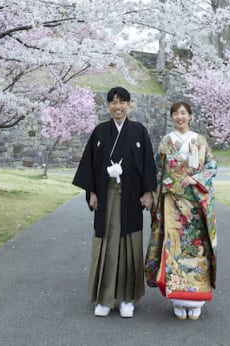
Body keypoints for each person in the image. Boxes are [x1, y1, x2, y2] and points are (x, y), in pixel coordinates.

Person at [72, 86, 157, 318]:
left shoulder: (139, 131)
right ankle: (105, 298)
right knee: (107, 245)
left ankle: (128, 299)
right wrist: (91, 192)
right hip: (107, 194)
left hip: (130, 196)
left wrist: (148, 192)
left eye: (122, 102)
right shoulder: (100, 132)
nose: (117, 106)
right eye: (113, 102)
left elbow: (148, 163)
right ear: (108, 105)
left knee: (130, 245)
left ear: (129, 105)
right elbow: (90, 165)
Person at [144, 100, 217, 320]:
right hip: (172, 204)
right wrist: (167, 187)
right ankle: (178, 298)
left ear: (191, 116)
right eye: (175, 114)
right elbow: (157, 170)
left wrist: (193, 179)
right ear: (172, 117)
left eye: (183, 113)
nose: (179, 117)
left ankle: (197, 300)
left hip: (195, 205)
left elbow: (212, 166)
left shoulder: (199, 140)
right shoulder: (167, 141)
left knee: (197, 250)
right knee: (174, 250)